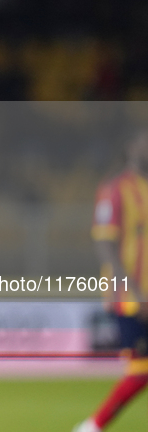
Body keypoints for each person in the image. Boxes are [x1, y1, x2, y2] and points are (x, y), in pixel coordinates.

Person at [74, 128, 148, 432]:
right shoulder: (115, 189)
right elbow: (105, 245)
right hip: (130, 298)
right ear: (131, 147)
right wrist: (135, 292)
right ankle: (93, 426)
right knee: (141, 369)